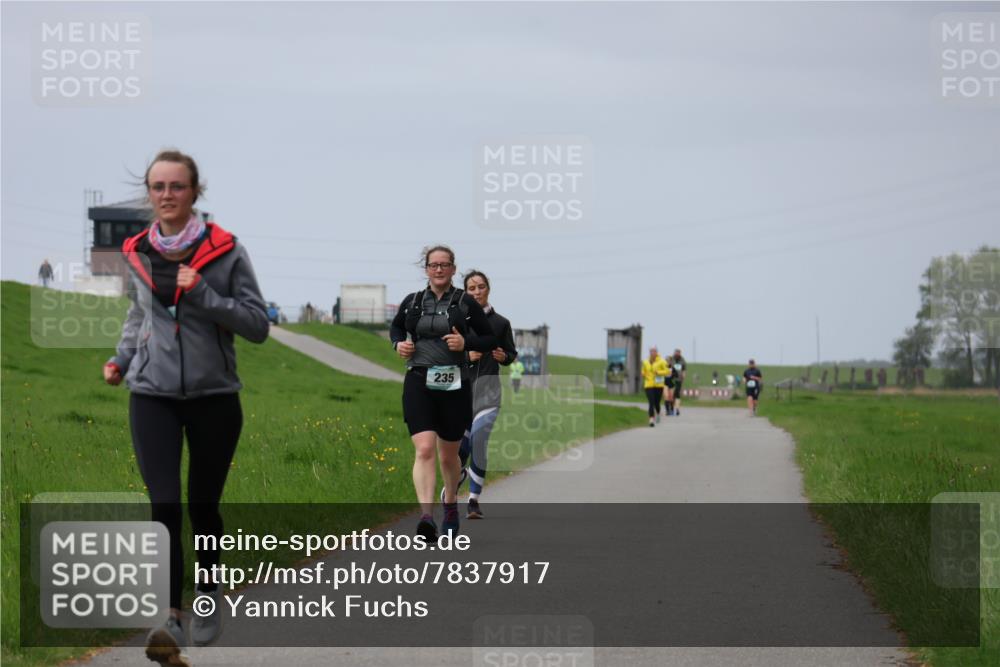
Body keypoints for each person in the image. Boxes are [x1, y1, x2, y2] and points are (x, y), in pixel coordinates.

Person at [103, 150, 269, 665]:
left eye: (177, 186)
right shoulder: (135, 251)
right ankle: (170, 618)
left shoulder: (226, 251)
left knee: (202, 506)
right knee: (164, 507)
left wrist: (205, 297)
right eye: (158, 187)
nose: (167, 195)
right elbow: (139, 315)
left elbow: (257, 325)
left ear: (196, 192)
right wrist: (122, 358)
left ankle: (207, 593)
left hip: (215, 397)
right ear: (149, 193)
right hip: (151, 394)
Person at [390, 246, 497, 541]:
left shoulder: (464, 302)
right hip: (419, 379)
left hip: (454, 383)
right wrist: (398, 345)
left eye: (444, 265)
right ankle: (426, 517)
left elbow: (488, 337)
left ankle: (450, 502)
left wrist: (465, 343)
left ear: (452, 269)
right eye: (433, 265)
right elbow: (396, 329)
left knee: (448, 456)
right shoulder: (412, 302)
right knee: (424, 449)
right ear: (426, 269)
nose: (439, 270)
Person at [450, 269, 517, 519]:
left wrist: (504, 357)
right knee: (460, 451)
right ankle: (460, 475)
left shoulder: (501, 323)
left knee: (479, 441)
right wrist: (467, 355)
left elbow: (511, 353)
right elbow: (446, 354)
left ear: (488, 288)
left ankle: (473, 501)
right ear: (465, 292)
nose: (477, 291)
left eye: (481, 286)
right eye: (471, 288)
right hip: (461, 393)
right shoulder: (457, 321)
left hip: (488, 393)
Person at [641, 346, 670, 426]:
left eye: (654, 351)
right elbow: (643, 370)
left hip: (658, 385)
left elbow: (668, 371)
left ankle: (658, 412)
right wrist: (643, 374)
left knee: (657, 403)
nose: (652, 353)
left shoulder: (662, 361)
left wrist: (659, 372)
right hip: (648, 384)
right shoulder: (646, 361)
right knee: (651, 402)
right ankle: (651, 419)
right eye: (651, 351)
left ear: (657, 352)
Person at [669, 349, 687, 416]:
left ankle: (677, 409)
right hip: (671, 379)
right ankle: (671, 408)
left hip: (679, 379)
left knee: (677, 394)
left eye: (678, 353)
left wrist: (683, 376)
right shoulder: (671, 359)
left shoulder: (682, 360)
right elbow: (667, 367)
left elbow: (684, 369)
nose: (677, 354)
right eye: (676, 353)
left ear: (680, 354)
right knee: (671, 395)